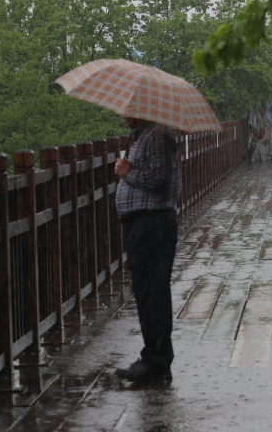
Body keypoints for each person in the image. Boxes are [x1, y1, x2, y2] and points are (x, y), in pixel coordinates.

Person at [113, 117, 181, 382]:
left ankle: (156, 362)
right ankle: (155, 358)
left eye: (129, 109)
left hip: (151, 224)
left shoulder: (156, 135)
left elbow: (159, 178)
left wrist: (126, 171)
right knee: (148, 291)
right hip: (144, 222)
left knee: (152, 292)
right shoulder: (146, 135)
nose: (124, 114)